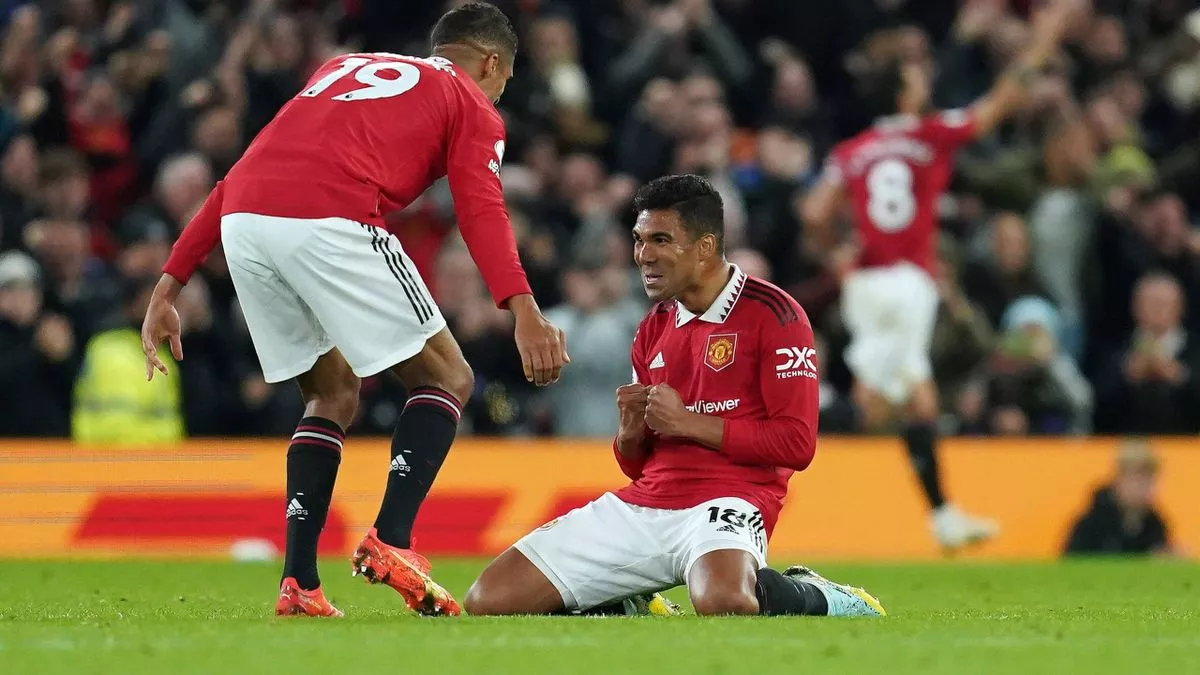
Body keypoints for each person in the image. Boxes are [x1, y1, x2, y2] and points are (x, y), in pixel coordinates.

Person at [139, 3, 569, 618]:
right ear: (493, 62)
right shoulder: (473, 103)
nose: (502, 90)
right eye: (506, 77)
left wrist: (168, 285)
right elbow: (480, 208)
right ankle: (392, 540)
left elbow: (239, 173)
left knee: (331, 392)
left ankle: (299, 584)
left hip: (246, 224)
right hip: (329, 217)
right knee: (448, 376)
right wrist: (522, 307)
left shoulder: (344, 67)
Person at [464, 175, 884, 618]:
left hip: (730, 502)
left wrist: (687, 423)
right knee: (489, 601)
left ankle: (820, 595)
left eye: (661, 240)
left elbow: (797, 445)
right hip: (647, 503)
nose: (644, 255)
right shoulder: (652, 327)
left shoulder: (775, 314)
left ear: (704, 247)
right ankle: (628, 601)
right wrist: (629, 434)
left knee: (723, 601)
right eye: (639, 240)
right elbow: (637, 466)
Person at [801, 0, 1082, 551]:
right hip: (906, 282)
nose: (923, 79)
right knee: (880, 405)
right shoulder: (930, 135)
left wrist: (833, 251)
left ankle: (942, 515)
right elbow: (999, 104)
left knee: (916, 397)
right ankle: (758, 463)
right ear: (904, 93)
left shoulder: (851, 151)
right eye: (916, 74)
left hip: (864, 282)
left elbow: (813, 213)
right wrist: (1044, 41)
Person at [1064, 441, 1176, 557]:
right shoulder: (1090, 525)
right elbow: (1069, 567)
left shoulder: (1156, 525)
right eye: (1135, 479)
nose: (1142, 488)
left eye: (1148, 480)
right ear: (1118, 480)